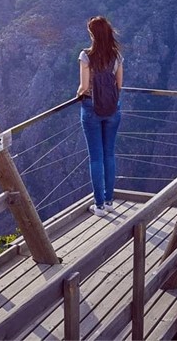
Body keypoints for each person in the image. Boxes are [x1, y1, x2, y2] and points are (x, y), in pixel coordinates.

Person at [76, 16, 124, 217]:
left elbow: (84, 87)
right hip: (113, 109)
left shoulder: (86, 56)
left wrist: (78, 93)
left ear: (92, 34)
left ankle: (99, 205)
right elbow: (119, 85)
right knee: (109, 155)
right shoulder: (117, 56)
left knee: (96, 157)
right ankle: (110, 200)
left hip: (91, 109)